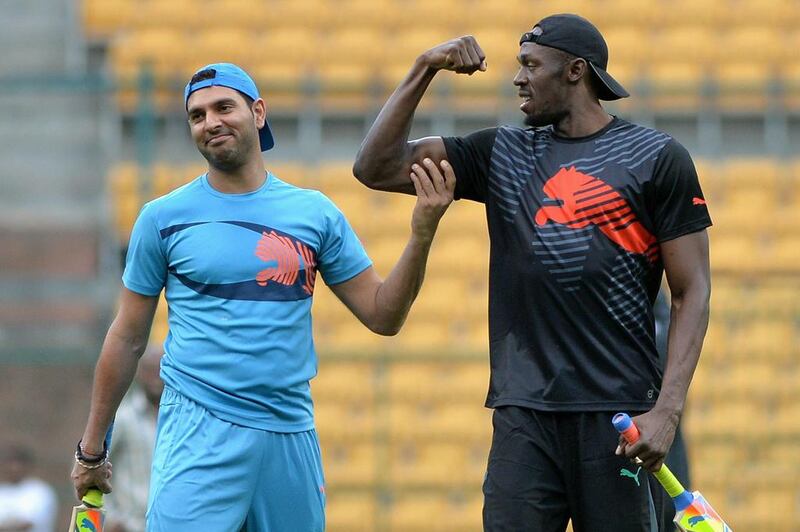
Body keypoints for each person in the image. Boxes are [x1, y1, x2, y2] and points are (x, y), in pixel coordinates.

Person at [353, 13, 711, 531]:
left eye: (530, 65)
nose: (518, 77)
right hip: (524, 416)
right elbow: (376, 167)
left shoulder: (656, 157)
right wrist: (424, 68)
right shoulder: (501, 152)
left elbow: (692, 291)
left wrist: (668, 411)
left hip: (619, 416)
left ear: (575, 71)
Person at [70, 62, 456, 531]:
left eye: (222, 107)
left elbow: (383, 315)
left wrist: (422, 232)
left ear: (258, 112)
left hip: (290, 431)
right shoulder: (162, 218)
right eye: (196, 115)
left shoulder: (314, 213)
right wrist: (92, 449)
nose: (210, 121)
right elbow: (127, 338)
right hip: (198, 430)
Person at [104, 344, 163, 532]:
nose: (155, 377)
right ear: (139, 373)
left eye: (160, 370)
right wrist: (111, 518)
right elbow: (90, 467)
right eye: (149, 370)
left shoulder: (181, 421)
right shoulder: (123, 417)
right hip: (130, 526)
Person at [0, 444, 58, 532]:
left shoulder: (40, 491)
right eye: (9, 463)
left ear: (27, 465)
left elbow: (27, 524)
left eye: (18, 463)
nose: (13, 468)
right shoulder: (2, 491)